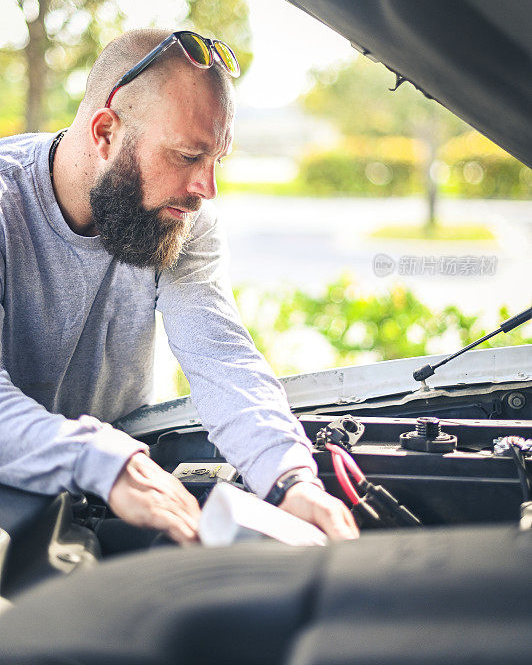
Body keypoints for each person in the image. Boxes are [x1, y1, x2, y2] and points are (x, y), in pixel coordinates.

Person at [0, 28, 357, 544]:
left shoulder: (180, 217)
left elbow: (220, 357)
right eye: (189, 157)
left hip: (110, 487)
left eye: (217, 160)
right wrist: (103, 461)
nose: (205, 190)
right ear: (105, 133)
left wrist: (290, 479)